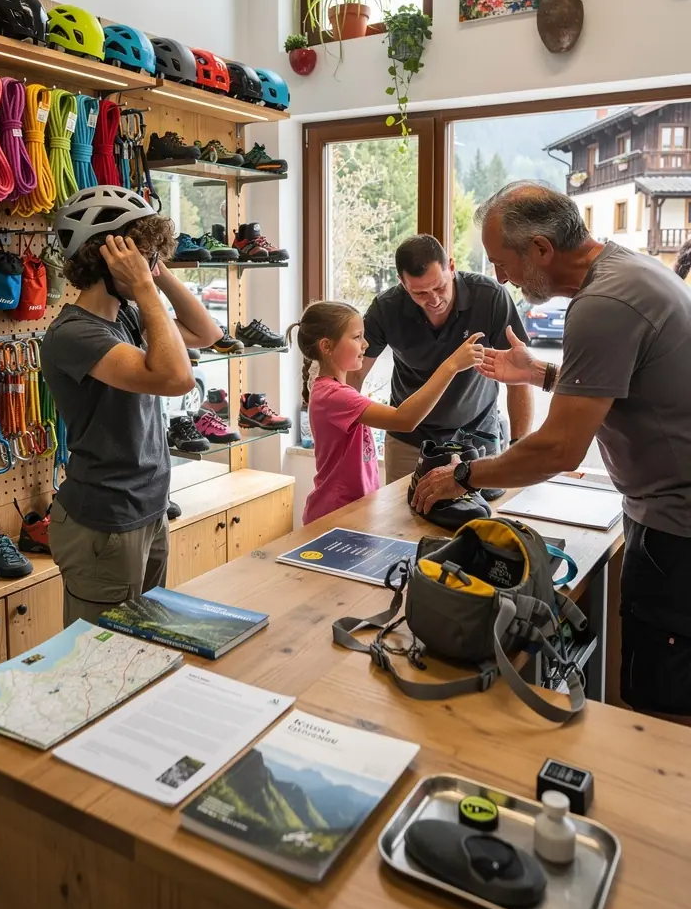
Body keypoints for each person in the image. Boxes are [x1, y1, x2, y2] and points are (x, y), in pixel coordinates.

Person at [412, 181, 691, 721]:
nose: (498, 277)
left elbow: (561, 448)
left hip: (676, 531)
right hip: (667, 516)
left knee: (663, 710)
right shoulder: (627, 270)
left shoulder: (603, 303)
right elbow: (626, 385)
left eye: (502, 262)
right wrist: (540, 373)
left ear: (540, 248)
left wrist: (462, 475)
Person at [41, 186, 221, 626]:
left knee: (146, 643)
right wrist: (142, 285)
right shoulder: (73, 334)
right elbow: (175, 379)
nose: (147, 263)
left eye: (149, 255)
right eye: (140, 254)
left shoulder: (125, 316)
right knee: (100, 660)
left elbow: (206, 332)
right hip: (104, 522)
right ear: (106, 258)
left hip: (148, 508)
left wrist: (155, 272)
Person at [350, 235, 533, 488]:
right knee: (401, 521)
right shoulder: (386, 308)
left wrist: (518, 447)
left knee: (479, 520)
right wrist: (344, 431)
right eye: (420, 293)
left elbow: (520, 378)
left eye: (439, 287)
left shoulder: (490, 297)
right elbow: (354, 374)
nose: (434, 300)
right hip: (409, 439)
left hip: (477, 435)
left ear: (452, 266)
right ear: (402, 283)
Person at [289, 300, 484, 526]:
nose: (365, 344)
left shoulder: (335, 391)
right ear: (326, 346)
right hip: (335, 514)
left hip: (353, 510)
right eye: (356, 337)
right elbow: (405, 419)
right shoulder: (333, 396)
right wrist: (451, 366)